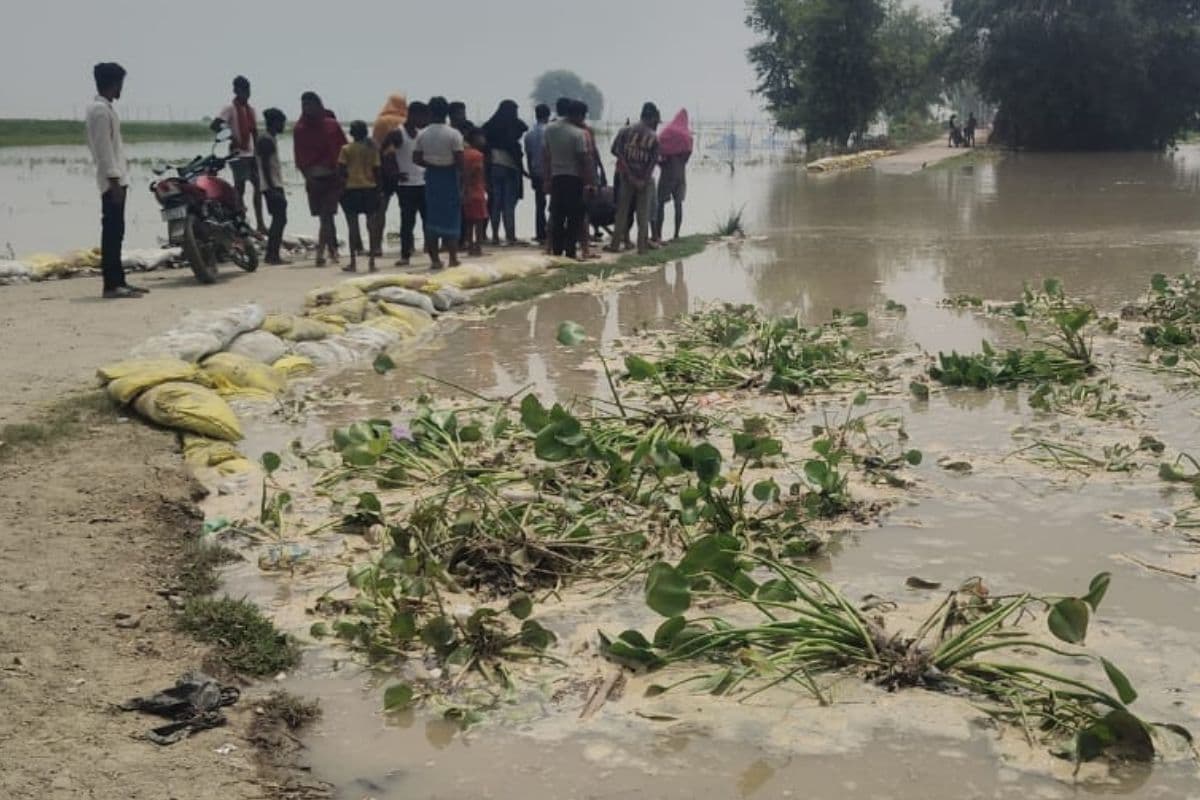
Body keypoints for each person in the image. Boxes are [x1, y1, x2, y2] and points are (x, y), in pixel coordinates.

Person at [86, 62, 146, 299]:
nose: (122, 88)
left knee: (117, 232)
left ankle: (119, 281)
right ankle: (111, 285)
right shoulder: (99, 111)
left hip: (116, 179)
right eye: (120, 83)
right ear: (113, 84)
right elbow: (104, 150)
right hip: (112, 182)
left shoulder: (105, 108)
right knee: (112, 233)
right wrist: (113, 181)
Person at [293, 91, 347, 266]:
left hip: (332, 177)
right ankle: (333, 250)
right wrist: (307, 178)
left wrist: (343, 173)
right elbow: (299, 157)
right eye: (304, 105)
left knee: (327, 215)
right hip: (313, 178)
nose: (307, 108)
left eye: (310, 104)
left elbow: (343, 148)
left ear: (318, 105)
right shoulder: (300, 129)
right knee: (326, 217)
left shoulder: (331, 125)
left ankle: (321, 252)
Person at [414, 96, 464, 269]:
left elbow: (416, 158)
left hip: (432, 177)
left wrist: (431, 163)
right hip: (450, 177)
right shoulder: (453, 134)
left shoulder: (423, 134)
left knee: (432, 219)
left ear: (430, 111)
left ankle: (435, 260)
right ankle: (452, 257)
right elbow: (459, 160)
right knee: (451, 218)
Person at [212, 76, 267, 234]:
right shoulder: (229, 109)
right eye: (243, 90)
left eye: (248, 90)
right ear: (236, 90)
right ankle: (241, 222)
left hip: (251, 154)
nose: (246, 93)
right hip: (237, 154)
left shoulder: (251, 110)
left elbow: (254, 132)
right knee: (240, 189)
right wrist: (230, 135)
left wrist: (258, 153)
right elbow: (215, 124)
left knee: (258, 187)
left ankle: (260, 223)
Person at [543, 100, 593, 259]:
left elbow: (546, 155)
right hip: (574, 179)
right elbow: (583, 160)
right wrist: (589, 182)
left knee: (557, 215)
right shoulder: (578, 134)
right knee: (574, 217)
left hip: (556, 177)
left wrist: (546, 179)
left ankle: (556, 250)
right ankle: (570, 251)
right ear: (577, 115)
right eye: (583, 116)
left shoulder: (550, 129)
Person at [609, 102, 661, 254]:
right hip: (644, 180)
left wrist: (629, 174)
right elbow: (653, 161)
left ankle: (615, 244)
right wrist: (643, 179)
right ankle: (642, 247)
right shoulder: (654, 137)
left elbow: (616, 152)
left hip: (626, 177)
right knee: (643, 215)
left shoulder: (625, 131)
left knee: (622, 212)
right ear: (652, 118)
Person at [385, 101, 429, 266]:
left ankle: (431, 251)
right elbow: (383, 153)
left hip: (423, 182)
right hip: (406, 185)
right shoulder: (397, 133)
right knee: (407, 221)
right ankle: (405, 254)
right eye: (422, 116)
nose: (424, 120)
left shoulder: (421, 134)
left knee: (428, 219)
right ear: (412, 114)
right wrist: (393, 173)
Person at [481, 100, 528, 246]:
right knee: (508, 204)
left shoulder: (490, 126)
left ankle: (494, 235)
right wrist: (525, 172)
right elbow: (523, 128)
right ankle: (510, 235)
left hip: (494, 168)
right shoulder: (511, 132)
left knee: (495, 203)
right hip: (510, 169)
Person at [337, 120, 382, 272]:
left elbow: (341, 170)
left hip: (352, 189)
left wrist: (341, 188)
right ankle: (372, 261)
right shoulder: (372, 149)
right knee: (371, 226)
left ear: (352, 133)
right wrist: (379, 188)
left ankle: (353, 261)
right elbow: (377, 170)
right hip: (369, 188)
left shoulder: (346, 148)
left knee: (352, 227)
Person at [370, 94, 408, 258]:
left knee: (381, 209)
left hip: (384, 168)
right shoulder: (405, 121)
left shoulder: (380, 121)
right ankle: (409, 245)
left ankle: (376, 246)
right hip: (404, 168)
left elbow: (375, 145)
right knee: (406, 210)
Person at [256, 108, 289, 265]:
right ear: (275, 123)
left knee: (280, 219)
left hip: (274, 184)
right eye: (281, 122)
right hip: (271, 186)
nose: (283, 126)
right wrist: (272, 188)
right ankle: (272, 255)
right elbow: (265, 166)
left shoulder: (269, 138)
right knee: (279, 219)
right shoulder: (266, 140)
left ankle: (273, 253)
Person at [655, 108, 692, 242]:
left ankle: (658, 235)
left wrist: (661, 162)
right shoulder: (687, 136)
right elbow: (688, 154)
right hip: (681, 173)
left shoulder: (668, 131)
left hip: (667, 171)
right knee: (678, 204)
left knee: (660, 203)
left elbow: (658, 148)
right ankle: (676, 234)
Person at [525, 103, 550, 245]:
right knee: (555, 204)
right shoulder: (549, 131)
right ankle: (553, 231)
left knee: (539, 204)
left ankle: (540, 233)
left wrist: (530, 172)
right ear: (548, 115)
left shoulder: (529, 134)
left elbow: (528, 155)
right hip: (551, 172)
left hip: (536, 172)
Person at [463, 129, 490, 256]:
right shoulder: (478, 155)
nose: (483, 140)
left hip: (466, 192)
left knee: (469, 221)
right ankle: (478, 247)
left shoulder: (463, 153)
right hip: (477, 190)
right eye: (481, 138)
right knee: (479, 222)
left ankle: (469, 246)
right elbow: (476, 170)